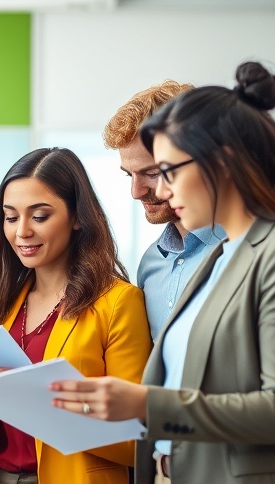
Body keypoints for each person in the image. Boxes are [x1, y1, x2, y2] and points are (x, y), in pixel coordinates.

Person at [52, 62, 275, 484]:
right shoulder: (205, 257)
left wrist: (147, 404)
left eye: (165, 170)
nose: (154, 191)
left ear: (219, 161)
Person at [0, 148, 152, 484]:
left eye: (39, 216)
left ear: (76, 217)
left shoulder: (118, 302)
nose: (22, 231)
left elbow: (135, 441)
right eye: (10, 218)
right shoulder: (6, 301)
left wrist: (38, 401)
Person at [103, 80, 224, 340]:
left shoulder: (251, 251)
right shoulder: (151, 264)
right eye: (129, 175)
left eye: (153, 173)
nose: (135, 192)